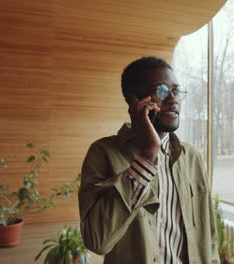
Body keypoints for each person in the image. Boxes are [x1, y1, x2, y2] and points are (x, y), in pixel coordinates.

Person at [78, 56, 220, 264]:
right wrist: (148, 154)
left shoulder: (192, 158)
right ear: (134, 100)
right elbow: (97, 241)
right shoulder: (103, 153)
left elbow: (210, 237)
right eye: (161, 91)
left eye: (176, 91)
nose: (173, 99)